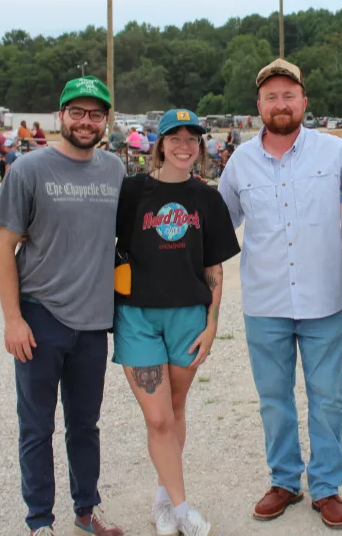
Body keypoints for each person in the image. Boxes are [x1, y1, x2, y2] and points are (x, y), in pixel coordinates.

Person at [218, 58, 342, 530]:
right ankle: (283, 479)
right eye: (271, 96)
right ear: (258, 105)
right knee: (273, 399)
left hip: (324, 301)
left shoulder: (337, 155)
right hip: (265, 304)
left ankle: (326, 486)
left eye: (289, 95)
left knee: (328, 398)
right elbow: (219, 226)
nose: (280, 103)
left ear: (304, 102)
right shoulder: (240, 162)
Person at [0, 75, 126, 536]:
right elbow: (3, 245)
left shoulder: (114, 170)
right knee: (36, 427)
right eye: (78, 112)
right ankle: (39, 522)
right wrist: (13, 318)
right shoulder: (28, 170)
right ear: (61, 116)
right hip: (40, 316)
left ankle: (87, 510)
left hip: (92, 323)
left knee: (85, 425)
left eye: (95, 114)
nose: (86, 122)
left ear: (105, 119)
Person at [114, 109, 241, 536]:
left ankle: (163, 499)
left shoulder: (207, 198)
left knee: (176, 408)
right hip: (138, 316)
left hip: (189, 316)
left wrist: (212, 323)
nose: (184, 145)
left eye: (193, 138)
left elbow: (214, 268)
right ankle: (183, 509)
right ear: (160, 144)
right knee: (157, 418)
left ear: (201, 146)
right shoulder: (131, 192)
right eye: (175, 137)